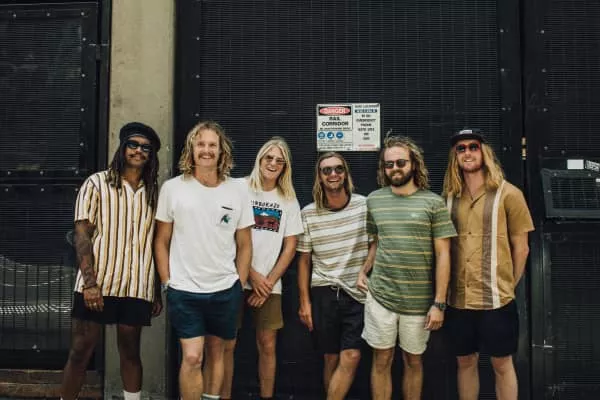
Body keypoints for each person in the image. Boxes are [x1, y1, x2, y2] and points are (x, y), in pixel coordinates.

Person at [60, 122, 162, 400]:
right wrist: (90, 283)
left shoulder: (154, 191)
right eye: (133, 144)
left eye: (146, 148)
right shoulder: (96, 183)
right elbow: (82, 234)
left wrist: (154, 289)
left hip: (136, 286)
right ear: (122, 147)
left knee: (131, 352)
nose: (139, 151)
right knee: (81, 350)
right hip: (98, 283)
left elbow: (155, 242)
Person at [153, 121, 253, 400]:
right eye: (200, 144)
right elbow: (161, 241)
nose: (206, 150)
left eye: (212, 145)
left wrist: (239, 283)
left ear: (221, 151)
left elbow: (245, 244)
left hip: (225, 289)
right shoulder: (173, 188)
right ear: (191, 149)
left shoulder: (238, 190)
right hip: (184, 290)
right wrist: (167, 282)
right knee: (193, 357)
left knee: (217, 353)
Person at [357, 135, 456, 400]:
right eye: (389, 164)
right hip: (381, 297)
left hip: (419, 302)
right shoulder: (374, 200)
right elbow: (377, 242)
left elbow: (444, 254)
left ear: (414, 163)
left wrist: (439, 303)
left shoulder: (433, 203)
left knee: (413, 361)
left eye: (401, 162)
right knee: (381, 360)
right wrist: (363, 270)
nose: (395, 169)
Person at [442, 128, 534, 400]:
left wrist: (507, 286)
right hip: (458, 300)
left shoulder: (509, 194)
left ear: (484, 152)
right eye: (461, 148)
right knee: (465, 362)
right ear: (455, 155)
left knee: (502, 364)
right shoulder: (448, 197)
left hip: (497, 301)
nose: (467, 153)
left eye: (473, 146)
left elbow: (522, 248)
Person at [215, 137, 303, 400]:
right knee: (227, 344)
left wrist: (267, 283)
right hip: (233, 279)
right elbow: (224, 231)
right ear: (259, 159)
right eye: (269, 158)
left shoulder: (288, 199)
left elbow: (290, 246)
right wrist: (251, 274)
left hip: (269, 285)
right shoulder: (238, 188)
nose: (273, 163)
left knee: (267, 345)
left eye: (279, 161)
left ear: (285, 166)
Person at [296, 152, 371, 400]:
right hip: (323, 293)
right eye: (326, 170)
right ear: (319, 177)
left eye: (338, 168)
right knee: (330, 358)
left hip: (357, 294)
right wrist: (305, 303)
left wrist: (364, 270)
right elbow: (304, 261)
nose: (333, 174)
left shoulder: (364, 205)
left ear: (346, 173)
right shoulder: (308, 213)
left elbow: (376, 243)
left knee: (352, 355)